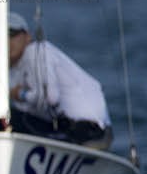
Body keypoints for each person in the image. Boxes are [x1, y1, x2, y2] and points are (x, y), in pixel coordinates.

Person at [7, 12, 112, 148]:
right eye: (2, 37)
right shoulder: (10, 68)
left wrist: (20, 94)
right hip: (65, 129)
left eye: (12, 35)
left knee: (9, 118)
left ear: (27, 37)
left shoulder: (35, 52)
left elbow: (50, 97)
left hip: (90, 132)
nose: (8, 42)